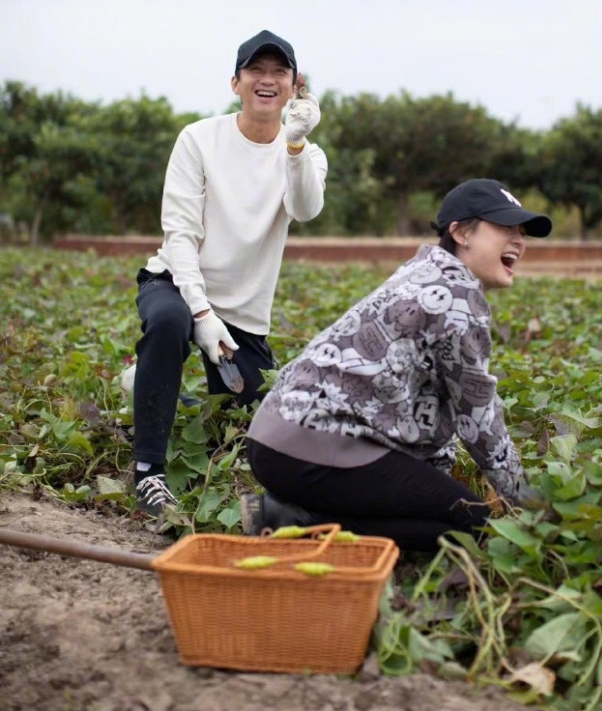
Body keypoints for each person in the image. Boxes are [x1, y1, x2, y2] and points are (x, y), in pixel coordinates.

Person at [241, 178, 552, 552]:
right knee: (474, 527)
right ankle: (290, 520)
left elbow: (429, 403)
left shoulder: (422, 272)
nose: (519, 240)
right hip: (313, 449)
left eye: (522, 232)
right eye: (505, 227)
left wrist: (429, 480)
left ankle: (297, 510)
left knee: (435, 505)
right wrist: (526, 504)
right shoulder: (455, 297)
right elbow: (478, 417)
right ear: (460, 233)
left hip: (273, 441)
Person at [131, 29, 328, 516]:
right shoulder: (199, 138)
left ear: (295, 85)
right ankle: (148, 473)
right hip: (177, 284)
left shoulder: (306, 154)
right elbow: (179, 233)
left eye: (278, 72)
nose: (267, 80)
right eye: (255, 71)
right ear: (235, 82)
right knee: (170, 323)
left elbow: (305, 210)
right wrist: (200, 311)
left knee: (248, 426)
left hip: (243, 312)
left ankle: (145, 384)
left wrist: (296, 146)